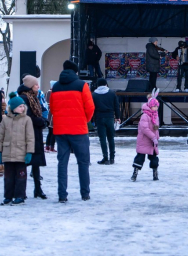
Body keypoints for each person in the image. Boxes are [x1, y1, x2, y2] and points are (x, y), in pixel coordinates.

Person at [50, 60, 95, 203]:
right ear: (76, 72)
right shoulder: (82, 85)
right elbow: (90, 107)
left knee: (62, 163)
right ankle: (85, 193)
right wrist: (84, 120)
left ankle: (62, 195)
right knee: (83, 162)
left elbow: (53, 108)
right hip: (79, 130)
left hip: (60, 130)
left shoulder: (55, 87)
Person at [0, 93, 35, 206]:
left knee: (21, 177)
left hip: (21, 154)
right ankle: (8, 196)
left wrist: (29, 152)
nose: (22, 108)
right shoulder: (5, 120)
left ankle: (19, 196)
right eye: (20, 106)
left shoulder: (27, 120)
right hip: (8, 153)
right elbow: (0, 137)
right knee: (8, 177)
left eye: (23, 106)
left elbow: (30, 138)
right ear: (13, 108)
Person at [18, 75, 48, 199]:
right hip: (27, 134)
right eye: (36, 84)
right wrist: (41, 121)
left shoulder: (33, 97)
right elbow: (27, 116)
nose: (38, 86)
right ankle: (22, 190)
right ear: (30, 86)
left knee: (35, 162)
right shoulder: (25, 98)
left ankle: (37, 188)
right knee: (25, 162)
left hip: (34, 133)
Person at [92, 78, 120, 165]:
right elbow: (116, 106)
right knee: (111, 138)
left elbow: (92, 108)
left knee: (102, 139)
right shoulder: (112, 93)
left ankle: (105, 157)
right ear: (106, 84)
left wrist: (92, 119)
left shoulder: (94, 95)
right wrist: (118, 117)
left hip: (99, 118)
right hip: (110, 117)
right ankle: (112, 158)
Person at [131, 96, 160, 182]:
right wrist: (153, 137)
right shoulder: (145, 116)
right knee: (140, 158)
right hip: (144, 140)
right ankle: (135, 173)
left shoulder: (155, 116)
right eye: (155, 106)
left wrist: (156, 138)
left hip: (152, 142)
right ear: (150, 106)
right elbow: (144, 129)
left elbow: (156, 129)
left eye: (157, 106)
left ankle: (155, 173)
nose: (156, 108)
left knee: (154, 158)